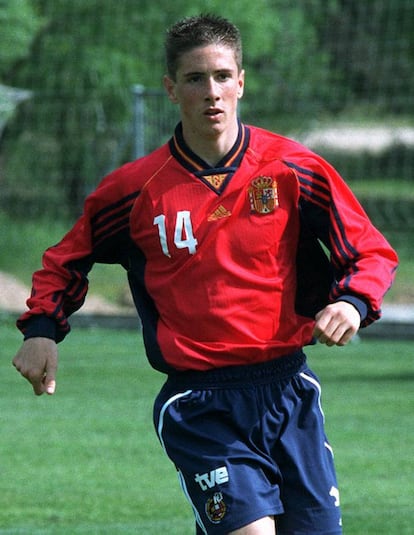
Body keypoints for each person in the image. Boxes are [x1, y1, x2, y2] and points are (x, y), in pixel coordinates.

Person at [13, 13, 398, 535]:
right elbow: (66, 260)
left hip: (289, 392)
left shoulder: (293, 168)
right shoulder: (132, 191)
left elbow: (371, 251)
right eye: (195, 79)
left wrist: (352, 302)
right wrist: (41, 331)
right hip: (201, 402)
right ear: (171, 89)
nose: (211, 92)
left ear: (241, 81)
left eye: (222, 76)